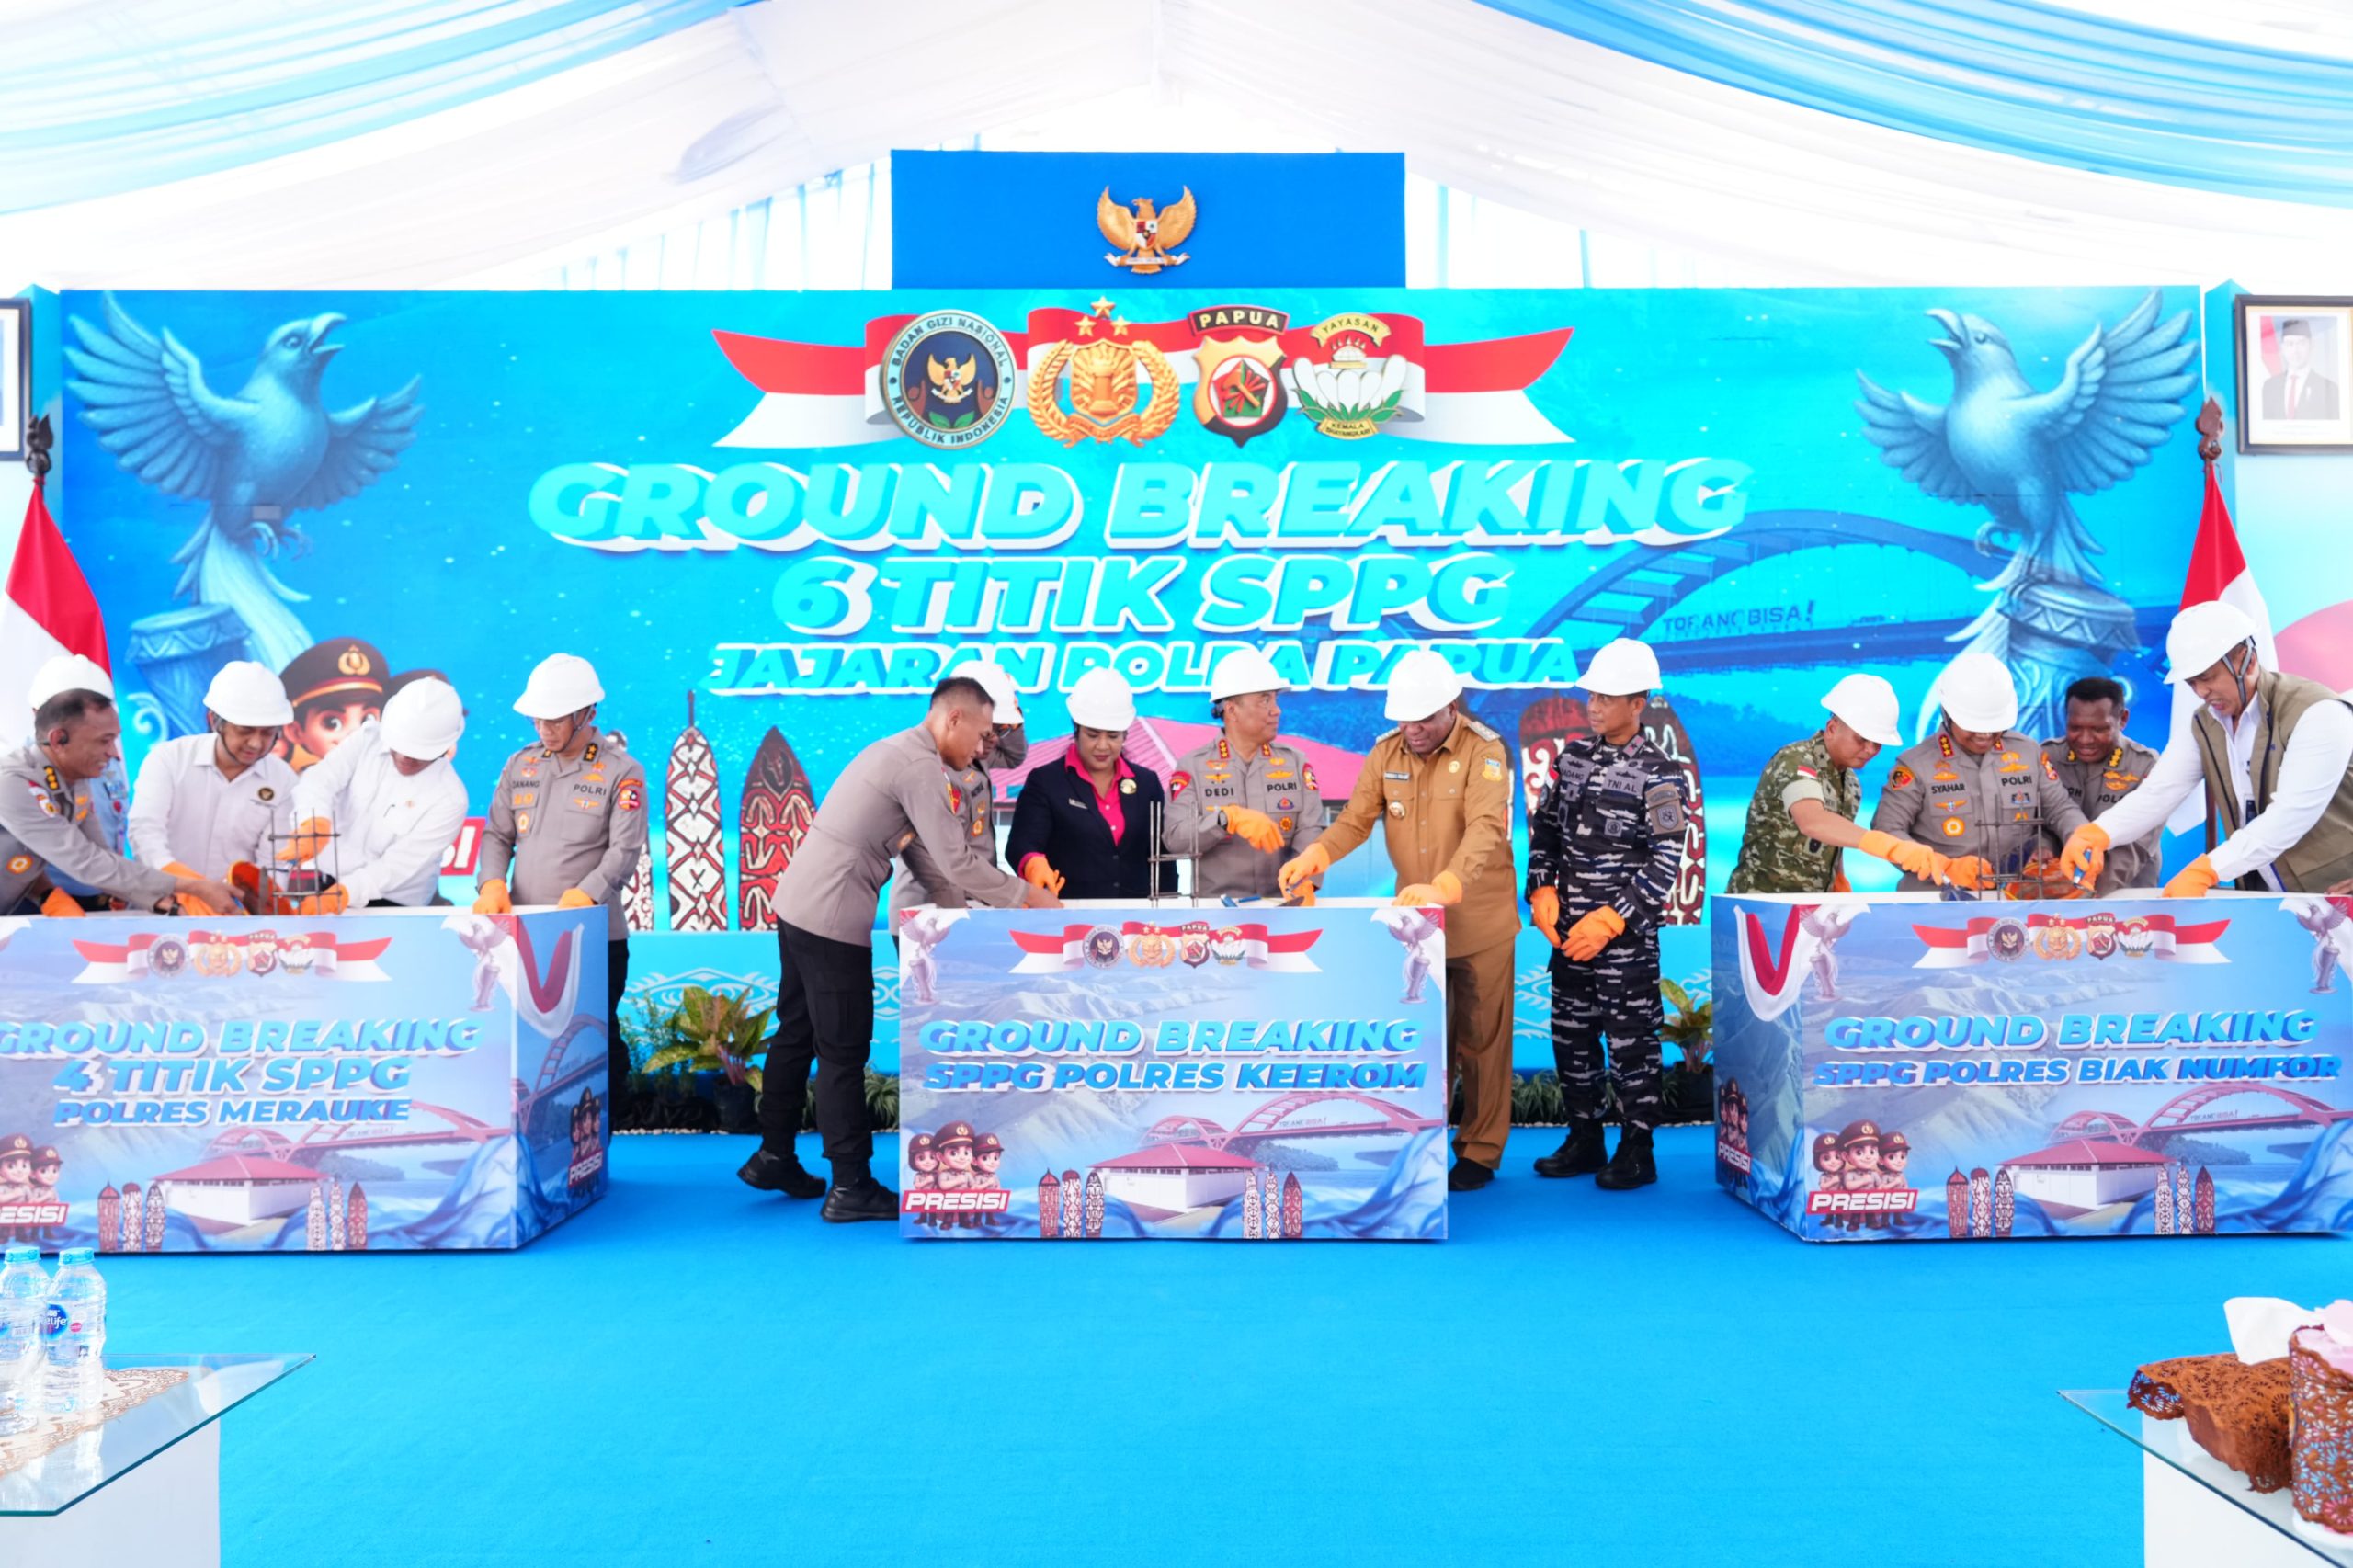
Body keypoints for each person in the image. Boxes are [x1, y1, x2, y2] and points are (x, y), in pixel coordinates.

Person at [740, 677, 1063, 1222]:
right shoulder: (920, 769)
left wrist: (963, 920)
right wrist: (1027, 898)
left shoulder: (901, 752)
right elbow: (957, 861)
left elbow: (928, 863)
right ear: (953, 719)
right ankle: (851, 1186)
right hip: (832, 915)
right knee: (843, 1050)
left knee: (796, 1031)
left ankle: (774, 1155)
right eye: (982, 735)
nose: (983, 749)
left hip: (798, 904)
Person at [1279, 649, 1518, 1190]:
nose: (1413, 730)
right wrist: (1317, 855)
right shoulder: (1387, 751)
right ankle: (1421, 1146)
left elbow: (1485, 827)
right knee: (1427, 1041)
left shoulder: (1484, 751)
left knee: (1483, 1043)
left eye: (1424, 720)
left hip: (1479, 920)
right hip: (1419, 929)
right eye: (1404, 720)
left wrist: (1449, 884)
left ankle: (1479, 1153)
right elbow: (1356, 820)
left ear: (1451, 708)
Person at [1518, 639, 1688, 1191]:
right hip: (1568, 935)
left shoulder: (1661, 773)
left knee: (1632, 1044)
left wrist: (1614, 919)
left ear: (1638, 703)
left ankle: (1638, 1148)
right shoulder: (1572, 758)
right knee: (1572, 1037)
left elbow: (1666, 861)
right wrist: (1541, 888)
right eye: (1592, 695)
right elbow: (1545, 831)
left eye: (1608, 698)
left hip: (1625, 943)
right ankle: (1584, 1137)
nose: (1594, 705)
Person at [2063, 601, 2353, 896]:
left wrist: (2209, 869)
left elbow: (2291, 815)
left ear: (2246, 660)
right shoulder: (2203, 723)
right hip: (2267, 896)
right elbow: (2159, 793)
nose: (2201, 691)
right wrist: (2099, 832)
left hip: (2335, 892)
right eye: (2192, 682)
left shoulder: (2318, 712)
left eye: (2207, 677)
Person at [472, 654, 648, 1107]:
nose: (544, 730)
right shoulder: (520, 764)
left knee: (593, 1038)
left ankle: (605, 1130)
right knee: (526, 1039)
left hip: (591, 936)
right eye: (537, 719)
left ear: (586, 713)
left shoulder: (622, 771)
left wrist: (588, 894)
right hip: (523, 935)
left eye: (554, 720)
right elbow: (497, 835)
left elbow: (624, 851)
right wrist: (491, 883)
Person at [0, 687, 238, 917]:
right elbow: (86, 861)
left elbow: (102, 855)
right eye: (104, 741)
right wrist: (193, 887)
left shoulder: (75, 779)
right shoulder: (13, 782)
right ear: (59, 739)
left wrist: (157, 901)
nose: (114, 753)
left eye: (114, 740)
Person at [1870, 652, 2086, 892]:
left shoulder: (2028, 752)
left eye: (1994, 725)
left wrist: (2081, 838)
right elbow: (1886, 831)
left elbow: (2060, 809)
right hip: (1936, 898)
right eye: (1973, 725)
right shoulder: (1915, 764)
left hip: (2017, 896)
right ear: (1947, 713)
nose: (1984, 735)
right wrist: (1943, 866)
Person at [1726, 673, 1933, 893]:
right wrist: (1885, 844)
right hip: (1761, 904)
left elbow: (1831, 839)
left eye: (1878, 743)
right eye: (1862, 739)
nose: (1871, 750)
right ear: (1832, 728)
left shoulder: (1851, 784)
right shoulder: (1795, 760)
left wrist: (1838, 878)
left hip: (1813, 906)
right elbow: (1812, 821)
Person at [281, 676, 468, 911]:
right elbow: (320, 780)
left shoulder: (450, 799)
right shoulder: (367, 739)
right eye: (399, 746)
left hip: (395, 903)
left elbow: (400, 865)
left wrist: (343, 894)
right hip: (330, 880)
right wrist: (313, 821)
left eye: (418, 754)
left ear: (444, 747)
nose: (404, 758)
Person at [1163, 649, 1324, 900]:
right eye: (1264, 701)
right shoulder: (1192, 767)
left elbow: (1311, 830)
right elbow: (1175, 840)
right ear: (1231, 710)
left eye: (1275, 700)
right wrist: (1225, 819)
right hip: (1217, 912)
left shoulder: (1295, 762)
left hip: (1283, 905)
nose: (1276, 710)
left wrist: (1305, 879)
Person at [1006, 668, 1176, 901]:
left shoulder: (1147, 783)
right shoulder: (1046, 782)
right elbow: (1021, 845)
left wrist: (1169, 908)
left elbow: (1163, 858)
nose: (1103, 746)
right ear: (1076, 729)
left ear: (1125, 735)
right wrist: (1032, 862)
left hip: (1136, 916)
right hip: (1067, 912)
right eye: (1093, 735)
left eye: (1113, 736)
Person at [127, 661, 298, 882]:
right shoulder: (169, 759)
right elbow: (144, 833)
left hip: (237, 904)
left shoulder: (283, 781)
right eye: (244, 731)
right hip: (164, 898)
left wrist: (258, 897)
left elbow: (274, 863)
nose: (255, 743)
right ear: (214, 721)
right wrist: (183, 884)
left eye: (267, 733)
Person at [890, 661, 1027, 921]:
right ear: (958, 718)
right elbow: (948, 863)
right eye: (988, 731)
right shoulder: (931, 770)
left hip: (970, 904)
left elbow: (1013, 756)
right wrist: (1019, 895)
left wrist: (1014, 719)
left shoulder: (974, 751)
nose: (993, 740)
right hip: (930, 912)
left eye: (999, 730)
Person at [2039, 676, 2160, 892]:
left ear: (2122, 720)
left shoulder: (2144, 764)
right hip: (2056, 886)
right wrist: (2043, 850)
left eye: (2099, 729)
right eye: (2075, 728)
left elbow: (2138, 843)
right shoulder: (2048, 756)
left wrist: (2087, 886)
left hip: (2124, 888)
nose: (2085, 739)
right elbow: (2038, 821)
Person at [26, 655, 133, 895]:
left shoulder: (107, 759)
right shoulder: (22, 775)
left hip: (108, 896)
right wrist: (48, 898)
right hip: (45, 904)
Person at [276, 636, 389, 769]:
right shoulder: (293, 780)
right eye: (332, 723)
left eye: (368, 719)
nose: (356, 734)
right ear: (295, 732)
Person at [2262, 319, 2340, 422]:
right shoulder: (2270, 386)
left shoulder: (2329, 388)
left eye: (2301, 343)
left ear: (2311, 345)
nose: (2295, 351)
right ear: (2283, 348)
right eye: (2290, 344)